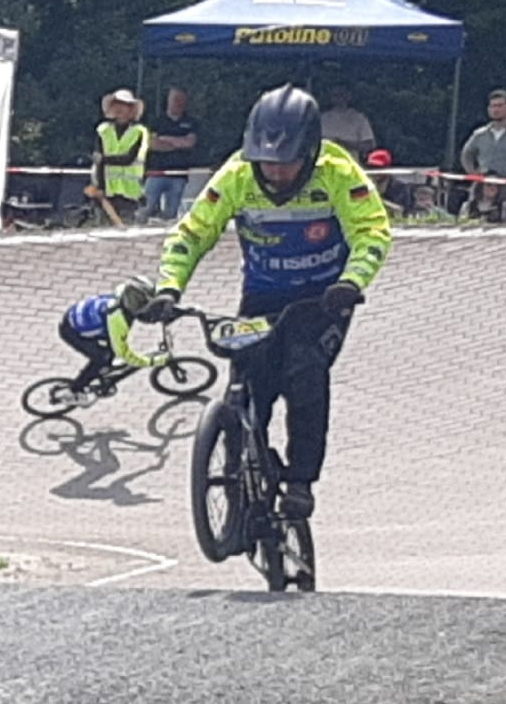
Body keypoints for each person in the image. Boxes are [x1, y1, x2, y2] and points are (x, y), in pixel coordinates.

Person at [138, 84, 393, 520]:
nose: (275, 173)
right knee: (250, 379)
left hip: (323, 298)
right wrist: (169, 288)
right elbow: (193, 233)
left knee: (304, 372)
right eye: (266, 162)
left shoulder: (337, 171)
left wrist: (352, 281)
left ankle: (300, 481)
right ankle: (237, 472)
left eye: (287, 162)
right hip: (263, 293)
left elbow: (372, 230)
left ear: (310, 152)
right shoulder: (236, 175)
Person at [56, 277, 165, 399]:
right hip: (72, 332)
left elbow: (144, 313)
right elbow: (126, 354)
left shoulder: (122, 296)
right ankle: (74, 390)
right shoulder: (118, 320)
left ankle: (104, 369)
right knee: (102, 357)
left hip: (80, 318)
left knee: (110, 351)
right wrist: (150, 362)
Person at [459, 89, 506, 222]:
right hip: (483, 187)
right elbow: (466, 155)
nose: (496, 110)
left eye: (500, 105)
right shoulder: (480, 134)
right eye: (493, 106)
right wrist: (474, 174)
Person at [141, 87, 200, 222]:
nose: (178, 103)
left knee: (171, 214)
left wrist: (164, 139)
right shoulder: (156, 121)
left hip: (178, 175)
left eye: (181, 100)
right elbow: (152, 144)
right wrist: (177, 142)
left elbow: (189, 143)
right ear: (168, 101)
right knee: (146, 209)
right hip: (155, 173)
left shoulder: (191, 123)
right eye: (175, 99)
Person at [92, 89, 148, 222]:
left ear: (131, 109)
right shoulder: (103, 130)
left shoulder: (138, 132)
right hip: (107, 193)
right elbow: (98, 161)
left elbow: (129, 158)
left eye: (124, 104)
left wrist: (104, 159)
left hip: (129, 194)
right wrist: (99, 188)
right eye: (116, 104)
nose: (119, 108)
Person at [319, 84, 376, 161]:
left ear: (349, 96)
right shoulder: (322, 119)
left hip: (349, 164)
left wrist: (343, 144)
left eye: (342, 94)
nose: (339, 98)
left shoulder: (359, 118)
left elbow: (369, 145)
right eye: (336, 95)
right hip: (325, 163)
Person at [365, 148, 410, 218]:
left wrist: (378, 200)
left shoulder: (400, 187)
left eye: (379, 167)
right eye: (371, 167)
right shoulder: (363, 184)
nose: (375, 171)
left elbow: (401, 210)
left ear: (387, 168)